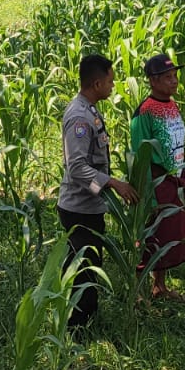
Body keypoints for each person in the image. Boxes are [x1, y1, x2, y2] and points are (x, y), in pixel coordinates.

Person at [57, 53, 138, 328]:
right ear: (96, 83)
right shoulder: (79, 117)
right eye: (110, 81)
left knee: (89, 264)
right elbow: (77, 168)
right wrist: (112, 183)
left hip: (89, 206)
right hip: (78, 209)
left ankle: (86, 321)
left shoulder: (89, 110)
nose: (113, 86)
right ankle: (76, 328)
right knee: (82, 269)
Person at [129, 52, 185, 302]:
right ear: (153, 80)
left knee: (168, 234)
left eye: (175, 76)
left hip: (174, 179)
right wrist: (149, 196)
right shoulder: (144, 112)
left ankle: (160, 286)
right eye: (168, 77)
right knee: (150, 234)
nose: (174, 81)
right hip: (156, 182)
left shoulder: (172, 105)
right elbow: (141, 155)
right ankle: (138, 292)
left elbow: (179, 144)